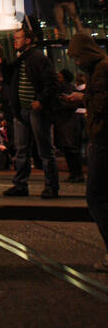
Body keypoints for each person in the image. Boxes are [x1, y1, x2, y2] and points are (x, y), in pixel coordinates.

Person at [0, 23, 60, 198]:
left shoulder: (37, 58)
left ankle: (51, 186)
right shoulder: (22, 58)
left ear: (28, 40)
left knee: (44, 149)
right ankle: (20, 184)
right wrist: (1, 58)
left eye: (18, 38)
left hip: (36, 110)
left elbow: (52, 83)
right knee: (22, 149)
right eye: (15, 38)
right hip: (22, 110)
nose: (15, 41)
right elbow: (9, 77)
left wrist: (40, 101)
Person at [68, 32, 108, 269]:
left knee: (95, 197)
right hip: (102, 137)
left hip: (103, 138)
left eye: (77, 56)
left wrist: (84, 98)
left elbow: (101, 104)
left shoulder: (101, 70)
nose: (76, 61)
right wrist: (82, 96)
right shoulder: (99, 68)